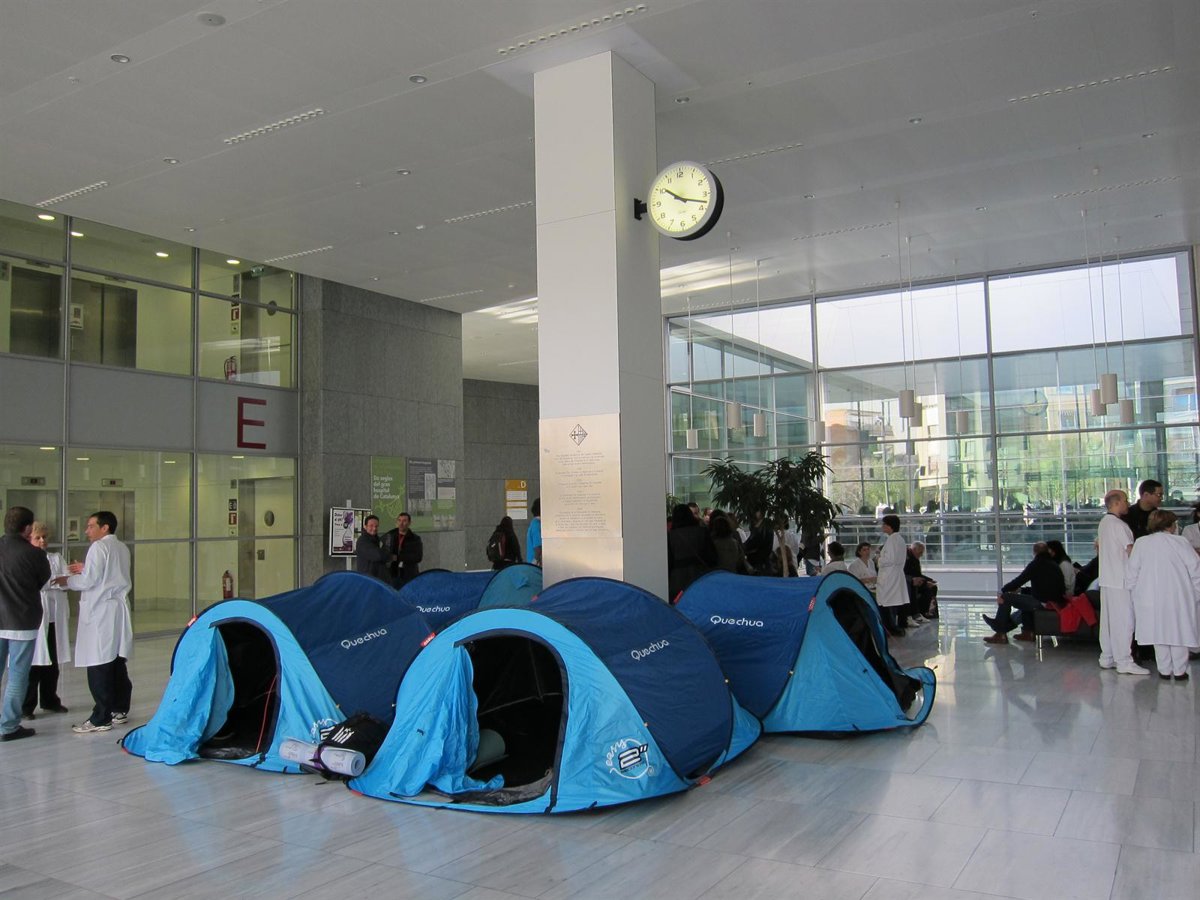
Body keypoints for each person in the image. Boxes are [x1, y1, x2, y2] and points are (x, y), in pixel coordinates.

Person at [58, 511, 134, 733]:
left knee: (99, 663)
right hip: (116, 609)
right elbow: (107, 574)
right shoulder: (121, 547)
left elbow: (89, 581)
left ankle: (101, 717)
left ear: (105, 527)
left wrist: (67, 580)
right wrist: (86, 568)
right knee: (116, 660)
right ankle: (119, 709)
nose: (86, 530)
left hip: (101, 611)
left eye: (91, 526)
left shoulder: (99, 547)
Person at [1125, 509, 1200, 680]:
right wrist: (1196, 592)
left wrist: (1134, 593)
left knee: (1157, 634)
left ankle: (1164, 669)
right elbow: (1195, 568)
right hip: (1178, 596)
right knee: (1179, 633)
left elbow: (1132, 571)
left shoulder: (1141, 543)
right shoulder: (1180, 542)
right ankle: (1179, 671)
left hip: (1149, 597)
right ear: (1170, 525)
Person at [0, 506, 51, 742]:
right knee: (18, 675)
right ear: (28, 528)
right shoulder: (34, 554)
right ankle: (8, 726)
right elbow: (41, 581)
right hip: (22, 620)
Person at [22, 523, 71, 718]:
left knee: (52, 661)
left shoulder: (56, 558)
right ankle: (26, 706)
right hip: (34, 617)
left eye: (44, 537)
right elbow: (36, 584)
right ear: (29, 539)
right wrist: (55, 581)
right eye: (38, 537)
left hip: (53, 616)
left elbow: (66, 581)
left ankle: (50, 700)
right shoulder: (26, 559)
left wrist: (58, 582)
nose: (42, 541)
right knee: (33, 663)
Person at [1097, 489, 1147, 674]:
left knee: (1108, 621)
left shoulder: (1104, 523)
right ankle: (1124, 660)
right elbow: (1130, 550)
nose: (1128, 503)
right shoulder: (1118, 525)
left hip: (1108, 578)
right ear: (1116, 503)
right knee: (1124, 620)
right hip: (1121, 579)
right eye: (1125, 500)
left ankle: (1107, 656)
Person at [982, 542, 1065, 644]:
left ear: (1034, 552)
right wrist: (1021, 590)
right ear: (1047, 551)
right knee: (1026, 599)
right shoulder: (1054, 565)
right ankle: (1028, 632)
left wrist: (1003, 591)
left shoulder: (1036, 564)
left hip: (1043, 602)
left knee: (1006, 597)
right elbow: (1046, 588)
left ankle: (1000, 632)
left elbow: (1019, 580)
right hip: (1055, 602)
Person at [667, 504, 717, 599]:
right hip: (700, 576)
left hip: (678, 579)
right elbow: (712, 557)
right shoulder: (702, 532)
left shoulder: (671, 536)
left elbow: (669, 561)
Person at [877, 515, 909, 635]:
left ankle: (890, 627)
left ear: (890, 526)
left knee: (885, 602)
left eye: (884, 524)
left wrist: (879, 559)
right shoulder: (899, 539)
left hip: (889, 575)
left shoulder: (892, 540)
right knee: (893, 601)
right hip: (895, 574)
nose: (882, 526)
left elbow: (890, 559)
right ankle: (895, 626)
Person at [383, 512, 423, 587]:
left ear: (409, 523)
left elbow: (418, 557)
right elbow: (383, 549)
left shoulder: (415, 539)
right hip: (393, 573)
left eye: (404, 521)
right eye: (399, 520)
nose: (401, 523)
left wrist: (399, 557)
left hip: (409, 574)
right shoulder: (390, 535)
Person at [904, 541, 938, 622]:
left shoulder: (915, 558)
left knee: (933, 587)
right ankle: (919, 613)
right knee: (924, 589)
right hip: (908, 582)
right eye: (920, 552)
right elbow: (906, 574)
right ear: (914, 549)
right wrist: (925, 582)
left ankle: (928, 612)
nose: (921, 555)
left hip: (916, 580)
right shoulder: (906, 558)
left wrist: (929, 580)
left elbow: (918, 574)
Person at [354, 515, 390, 582]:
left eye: (376, 526)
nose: (374, 528)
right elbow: (378, 555)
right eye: (371, 526)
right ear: (365, 526)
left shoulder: (377, 540)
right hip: (367, 580)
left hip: (377, 580)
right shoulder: (362, 541)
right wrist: (387, 551)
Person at [526, 499, 542, 566]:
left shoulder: (534, 523)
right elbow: (538, 547)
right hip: (535, 564)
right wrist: (534, 562)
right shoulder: (537, 525)